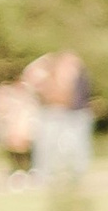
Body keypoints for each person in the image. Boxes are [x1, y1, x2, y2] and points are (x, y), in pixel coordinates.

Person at [22, 48, 94, 193]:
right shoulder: (50, 75)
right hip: (55, 113)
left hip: (73, 114)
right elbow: (29, 75)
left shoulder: (78, 77)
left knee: (76, 146)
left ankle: (75, 175)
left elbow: (79, 98)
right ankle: (45, 174)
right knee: (48, 145)